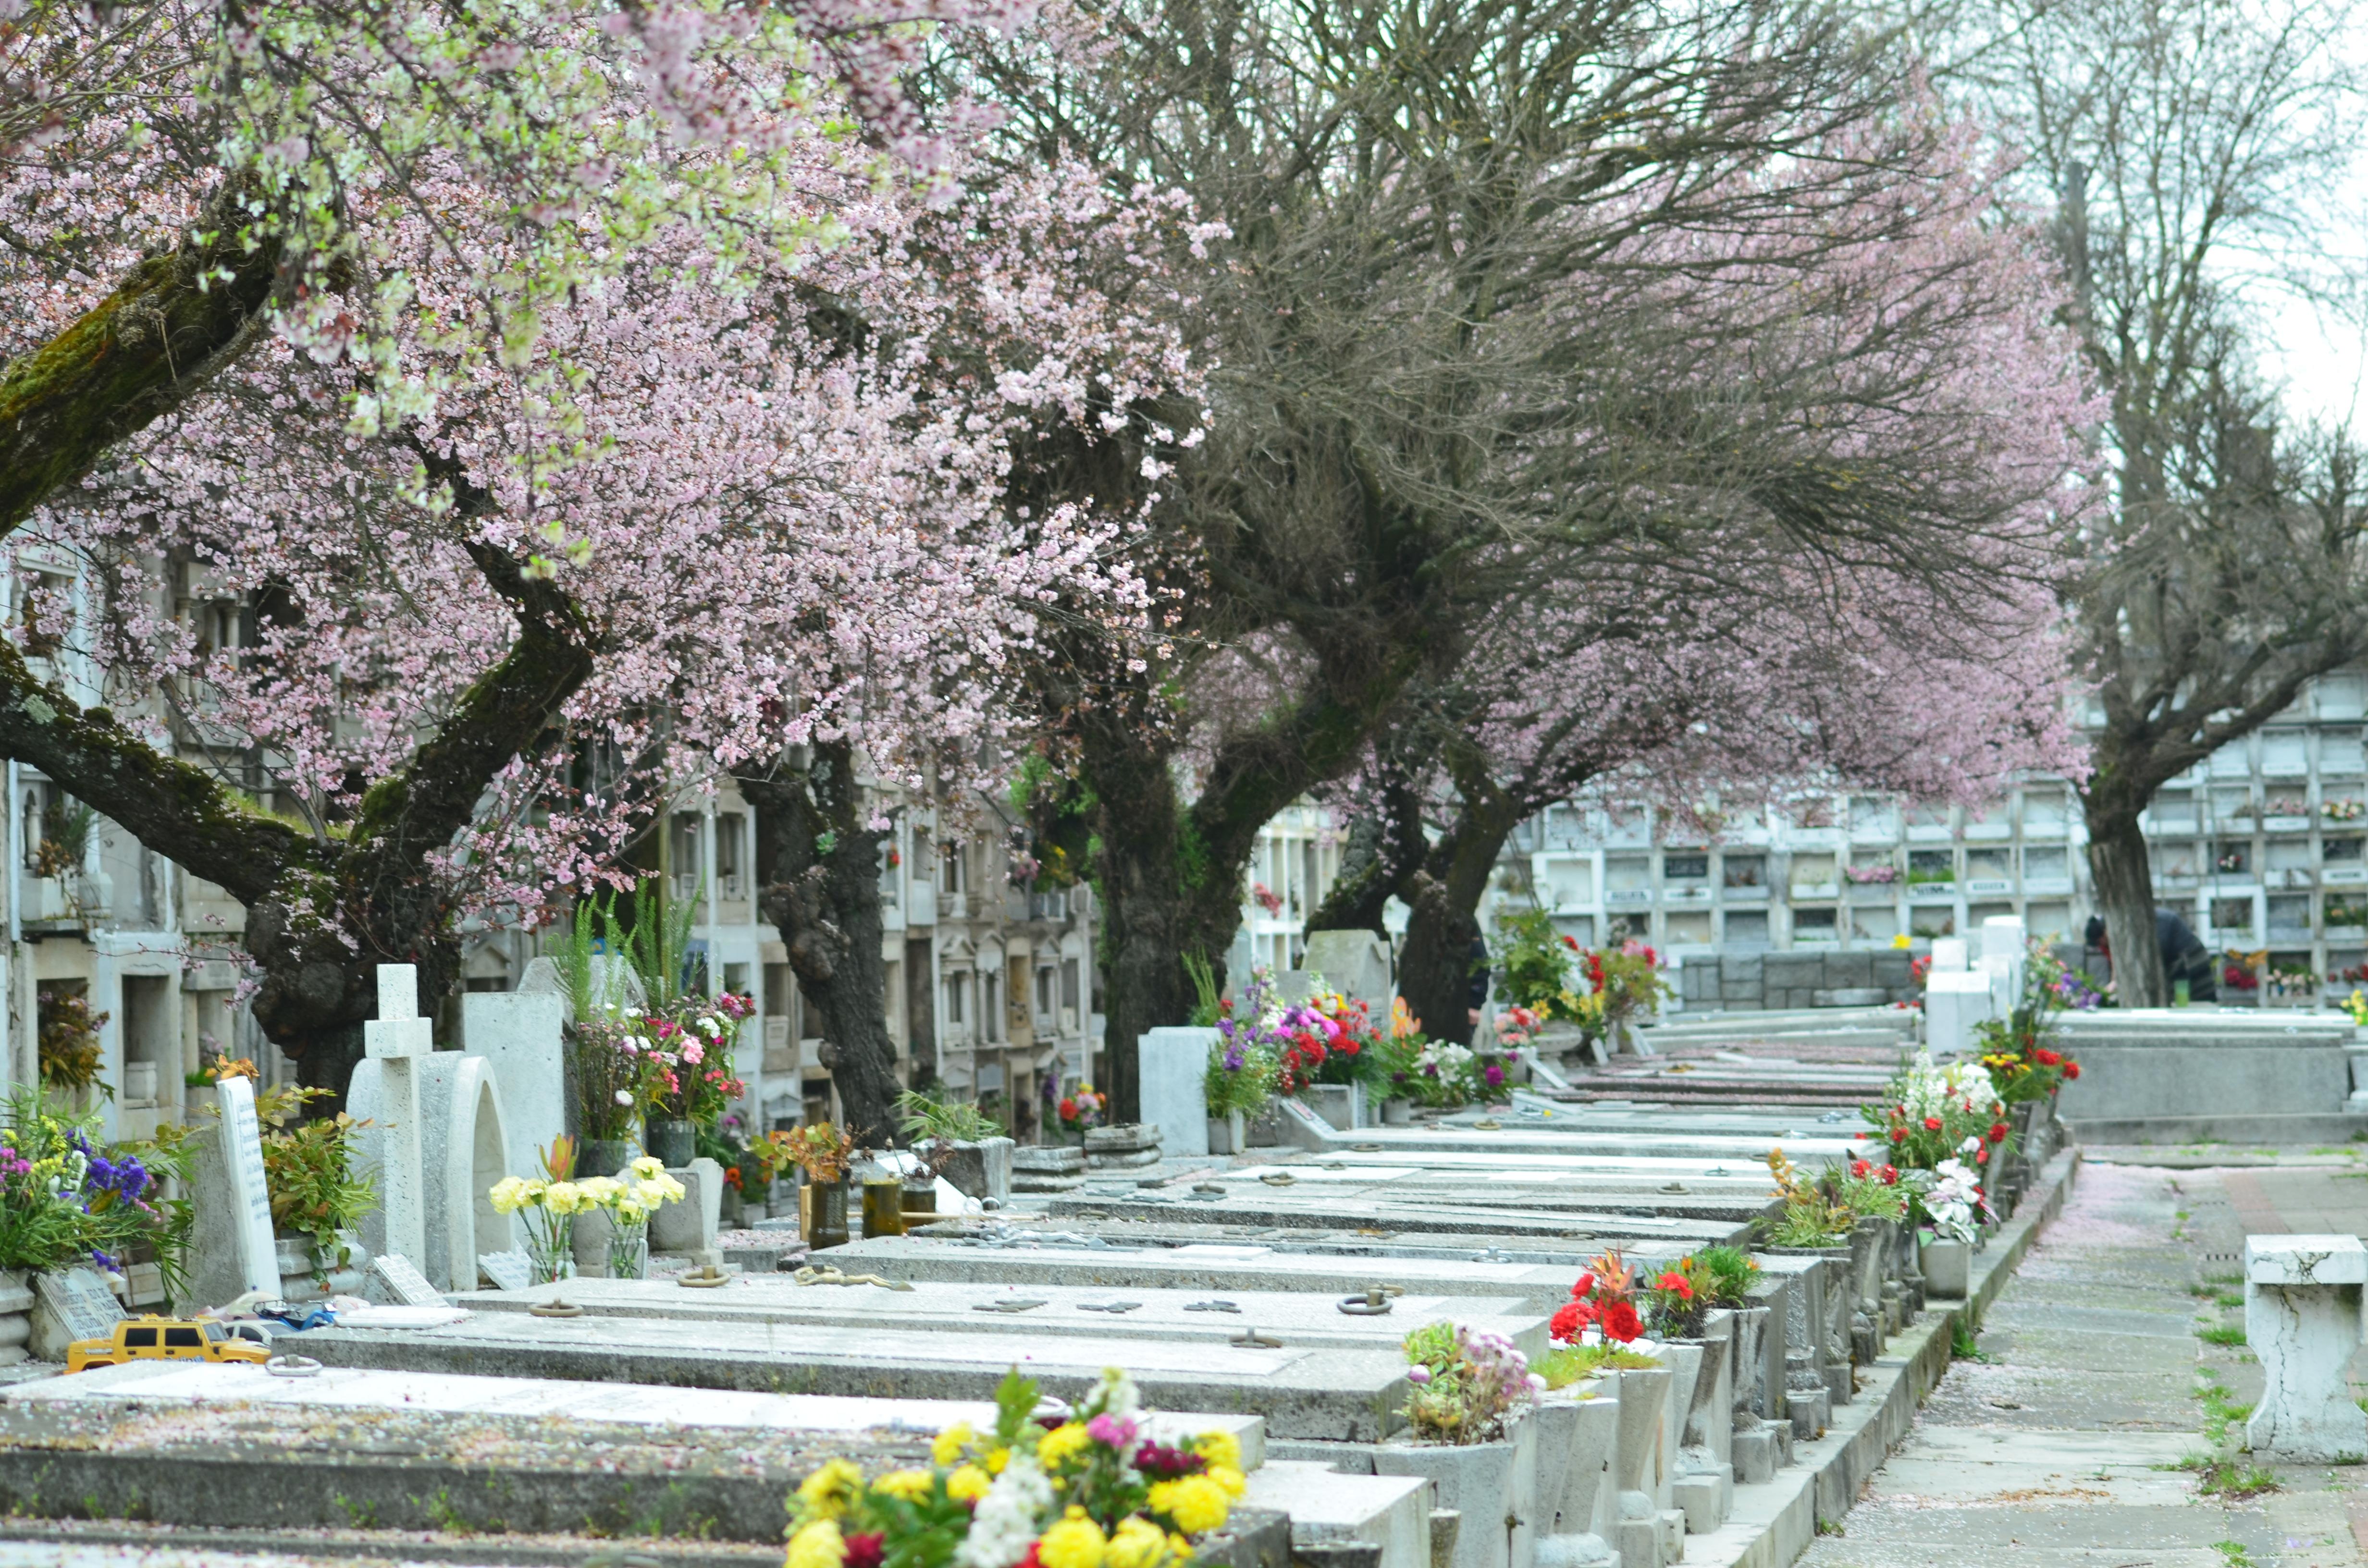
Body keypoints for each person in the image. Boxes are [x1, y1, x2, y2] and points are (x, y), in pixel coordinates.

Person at [2084, 909, 2217, 1002]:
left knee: (2196, 997)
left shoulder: (2152, 923)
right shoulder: (2119, 933)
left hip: (2189, 957)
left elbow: (2149, 959)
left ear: (2105, 931)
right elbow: (2117, 961)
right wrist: (2115, 982)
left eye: (2100, 940)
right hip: (2173, 959)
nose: (2101, 944)